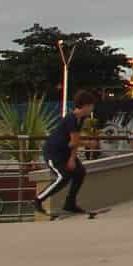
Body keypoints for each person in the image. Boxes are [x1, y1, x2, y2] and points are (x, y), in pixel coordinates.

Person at [34, 90, 95, 219]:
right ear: (85, 105)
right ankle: (38, 200)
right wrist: (82, 149)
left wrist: (73, 156)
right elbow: (74, 141)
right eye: (91, 106)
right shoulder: (71, 119)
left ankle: (70, 203)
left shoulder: (81, 118)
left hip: (65, 151)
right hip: (53, 152)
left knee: (80, 172)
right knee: (63, 176)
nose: (92, 109)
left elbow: (75, 141)